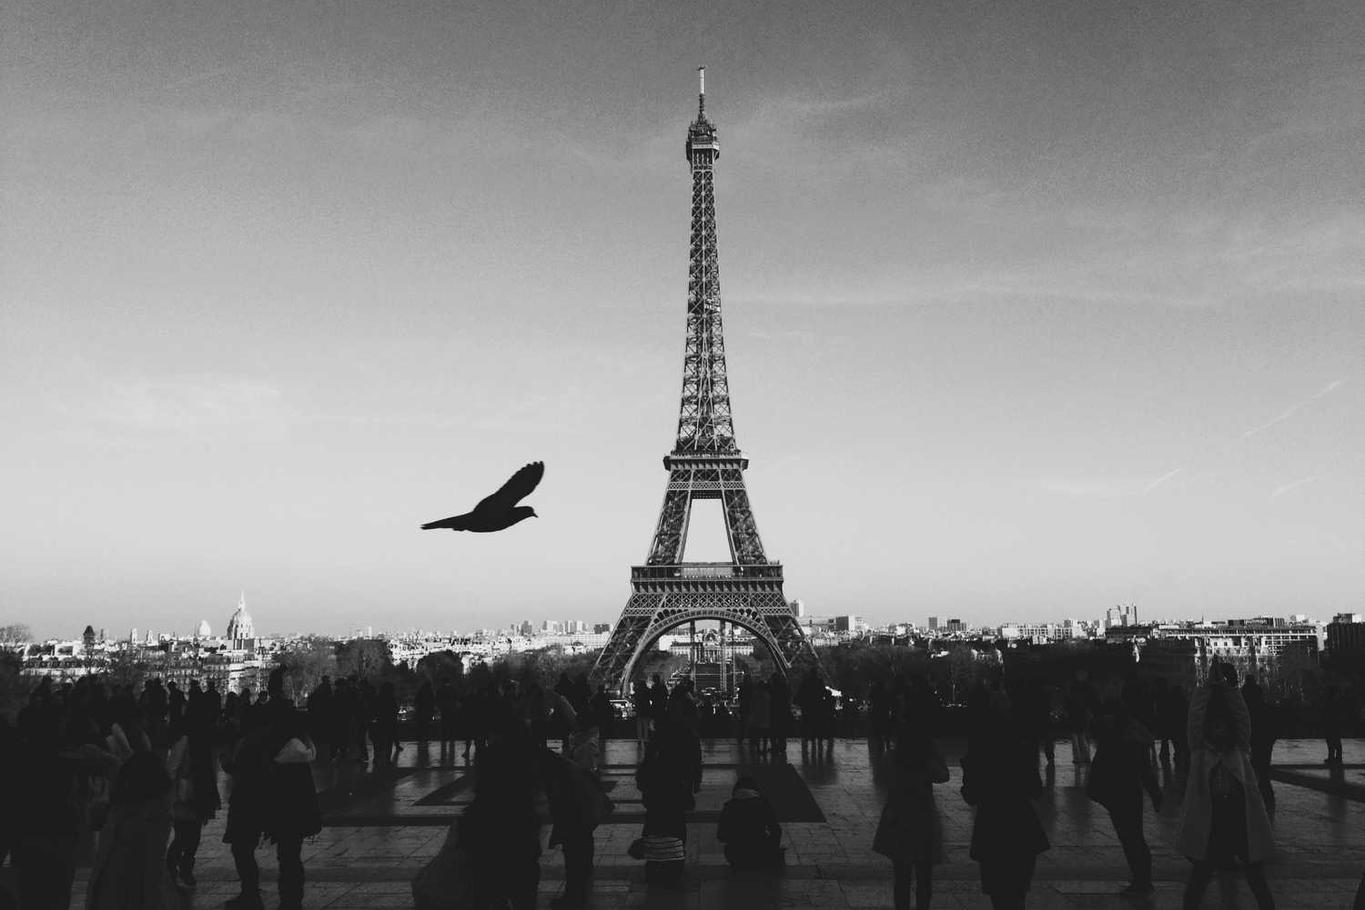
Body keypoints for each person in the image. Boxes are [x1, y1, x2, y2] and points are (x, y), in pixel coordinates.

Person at [1178, 669, 1276, 910]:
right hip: (1213, 820)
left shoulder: (1239, 750)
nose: (1219, 731)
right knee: (1201, 875)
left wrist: (1230, 690)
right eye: (1215, 727)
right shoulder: (1200, 751)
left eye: (1222, 727)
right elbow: (1194, 719)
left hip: (1238, 817)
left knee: (1255, 874)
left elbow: (1243, 718)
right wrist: (1206, 688)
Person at [961, 688, 1050, 910]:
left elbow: (971, 795)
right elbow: (1035, 789)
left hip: (991, 825)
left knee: (999, 895)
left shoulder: (979, 745)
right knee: (1018, 893)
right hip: (1020, 824)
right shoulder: (1021, 743)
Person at [1087, 682, 1162, 896]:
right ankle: (1142, 879)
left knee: (1130, 838)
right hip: (1129, 789)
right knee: (1133, 837)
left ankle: (1142, 881)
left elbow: (1094, 731)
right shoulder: (1131, 731)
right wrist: (1154, 792)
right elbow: (1144, 768)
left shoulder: (1109, 731)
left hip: (1116, 790)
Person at [85, 751, 178, 910]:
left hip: (114, 888)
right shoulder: (154, 812)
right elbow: (154, 865)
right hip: (126, 890)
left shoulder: (123, 808)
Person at [873, 725, 949, 910]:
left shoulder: (892, 758)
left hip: (899, 818)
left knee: (901, 878)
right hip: (923, 820)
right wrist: (935, 753)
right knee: (924, 878)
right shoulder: (926, 761)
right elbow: (943, 775)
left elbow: (881, 778)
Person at [164, 713, 220, 889]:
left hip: (198, 795)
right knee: (184, 835)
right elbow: (172, 769)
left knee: (193, 836)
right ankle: (174, 867)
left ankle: (183, 868)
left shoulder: (203, 743)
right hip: (185, 796)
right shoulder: (186, 741)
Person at [717, 775, 784, 870]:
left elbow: (721, 835)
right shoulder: (763, 804)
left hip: (735, 855)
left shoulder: (729, 806)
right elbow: (776, 830)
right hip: (760, 852)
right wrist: (772, 847)